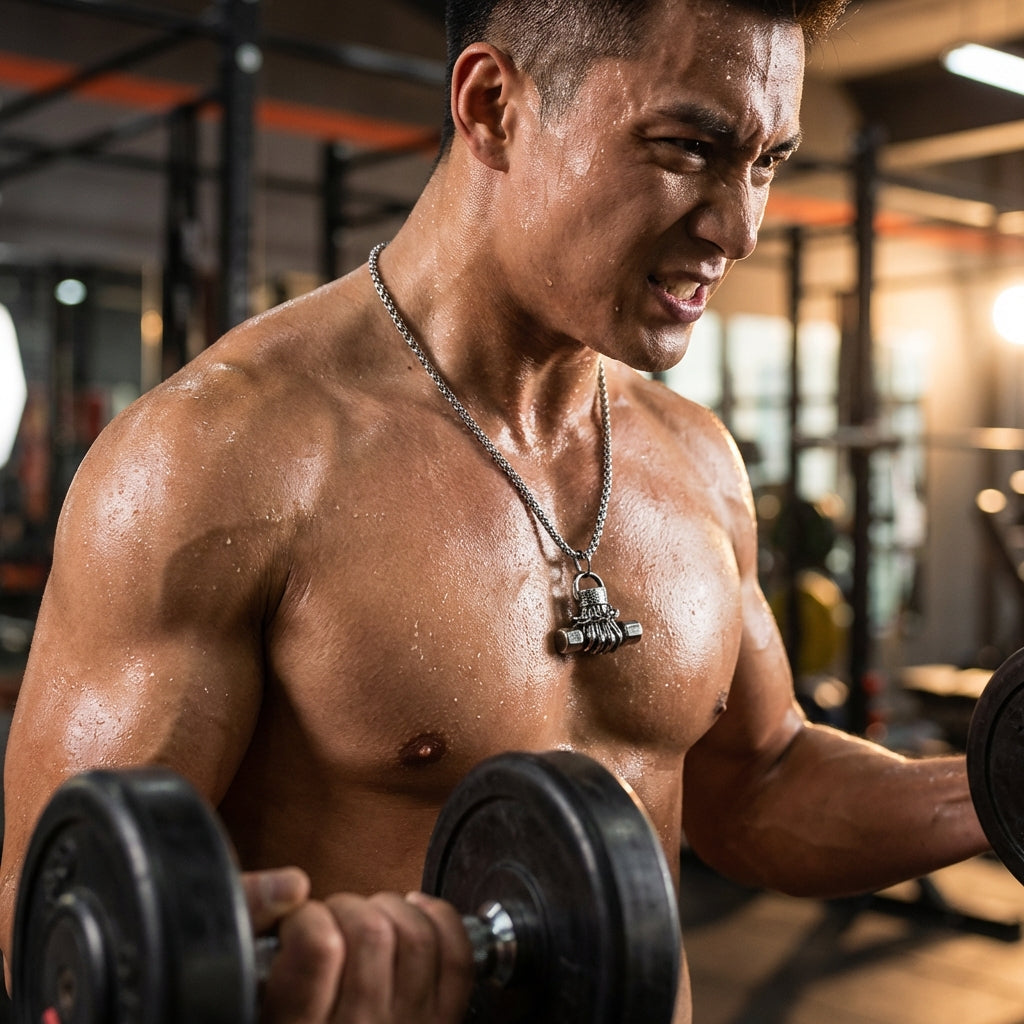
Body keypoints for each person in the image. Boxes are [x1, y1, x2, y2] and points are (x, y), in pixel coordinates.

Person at [0, 0, 991, 1021]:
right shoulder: (219, 460)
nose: (740, 227)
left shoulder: (695, 458)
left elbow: (760, 782)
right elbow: (65, 942)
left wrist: (991, 783)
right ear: (493, 106)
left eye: (768, 161)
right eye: (690, 147)